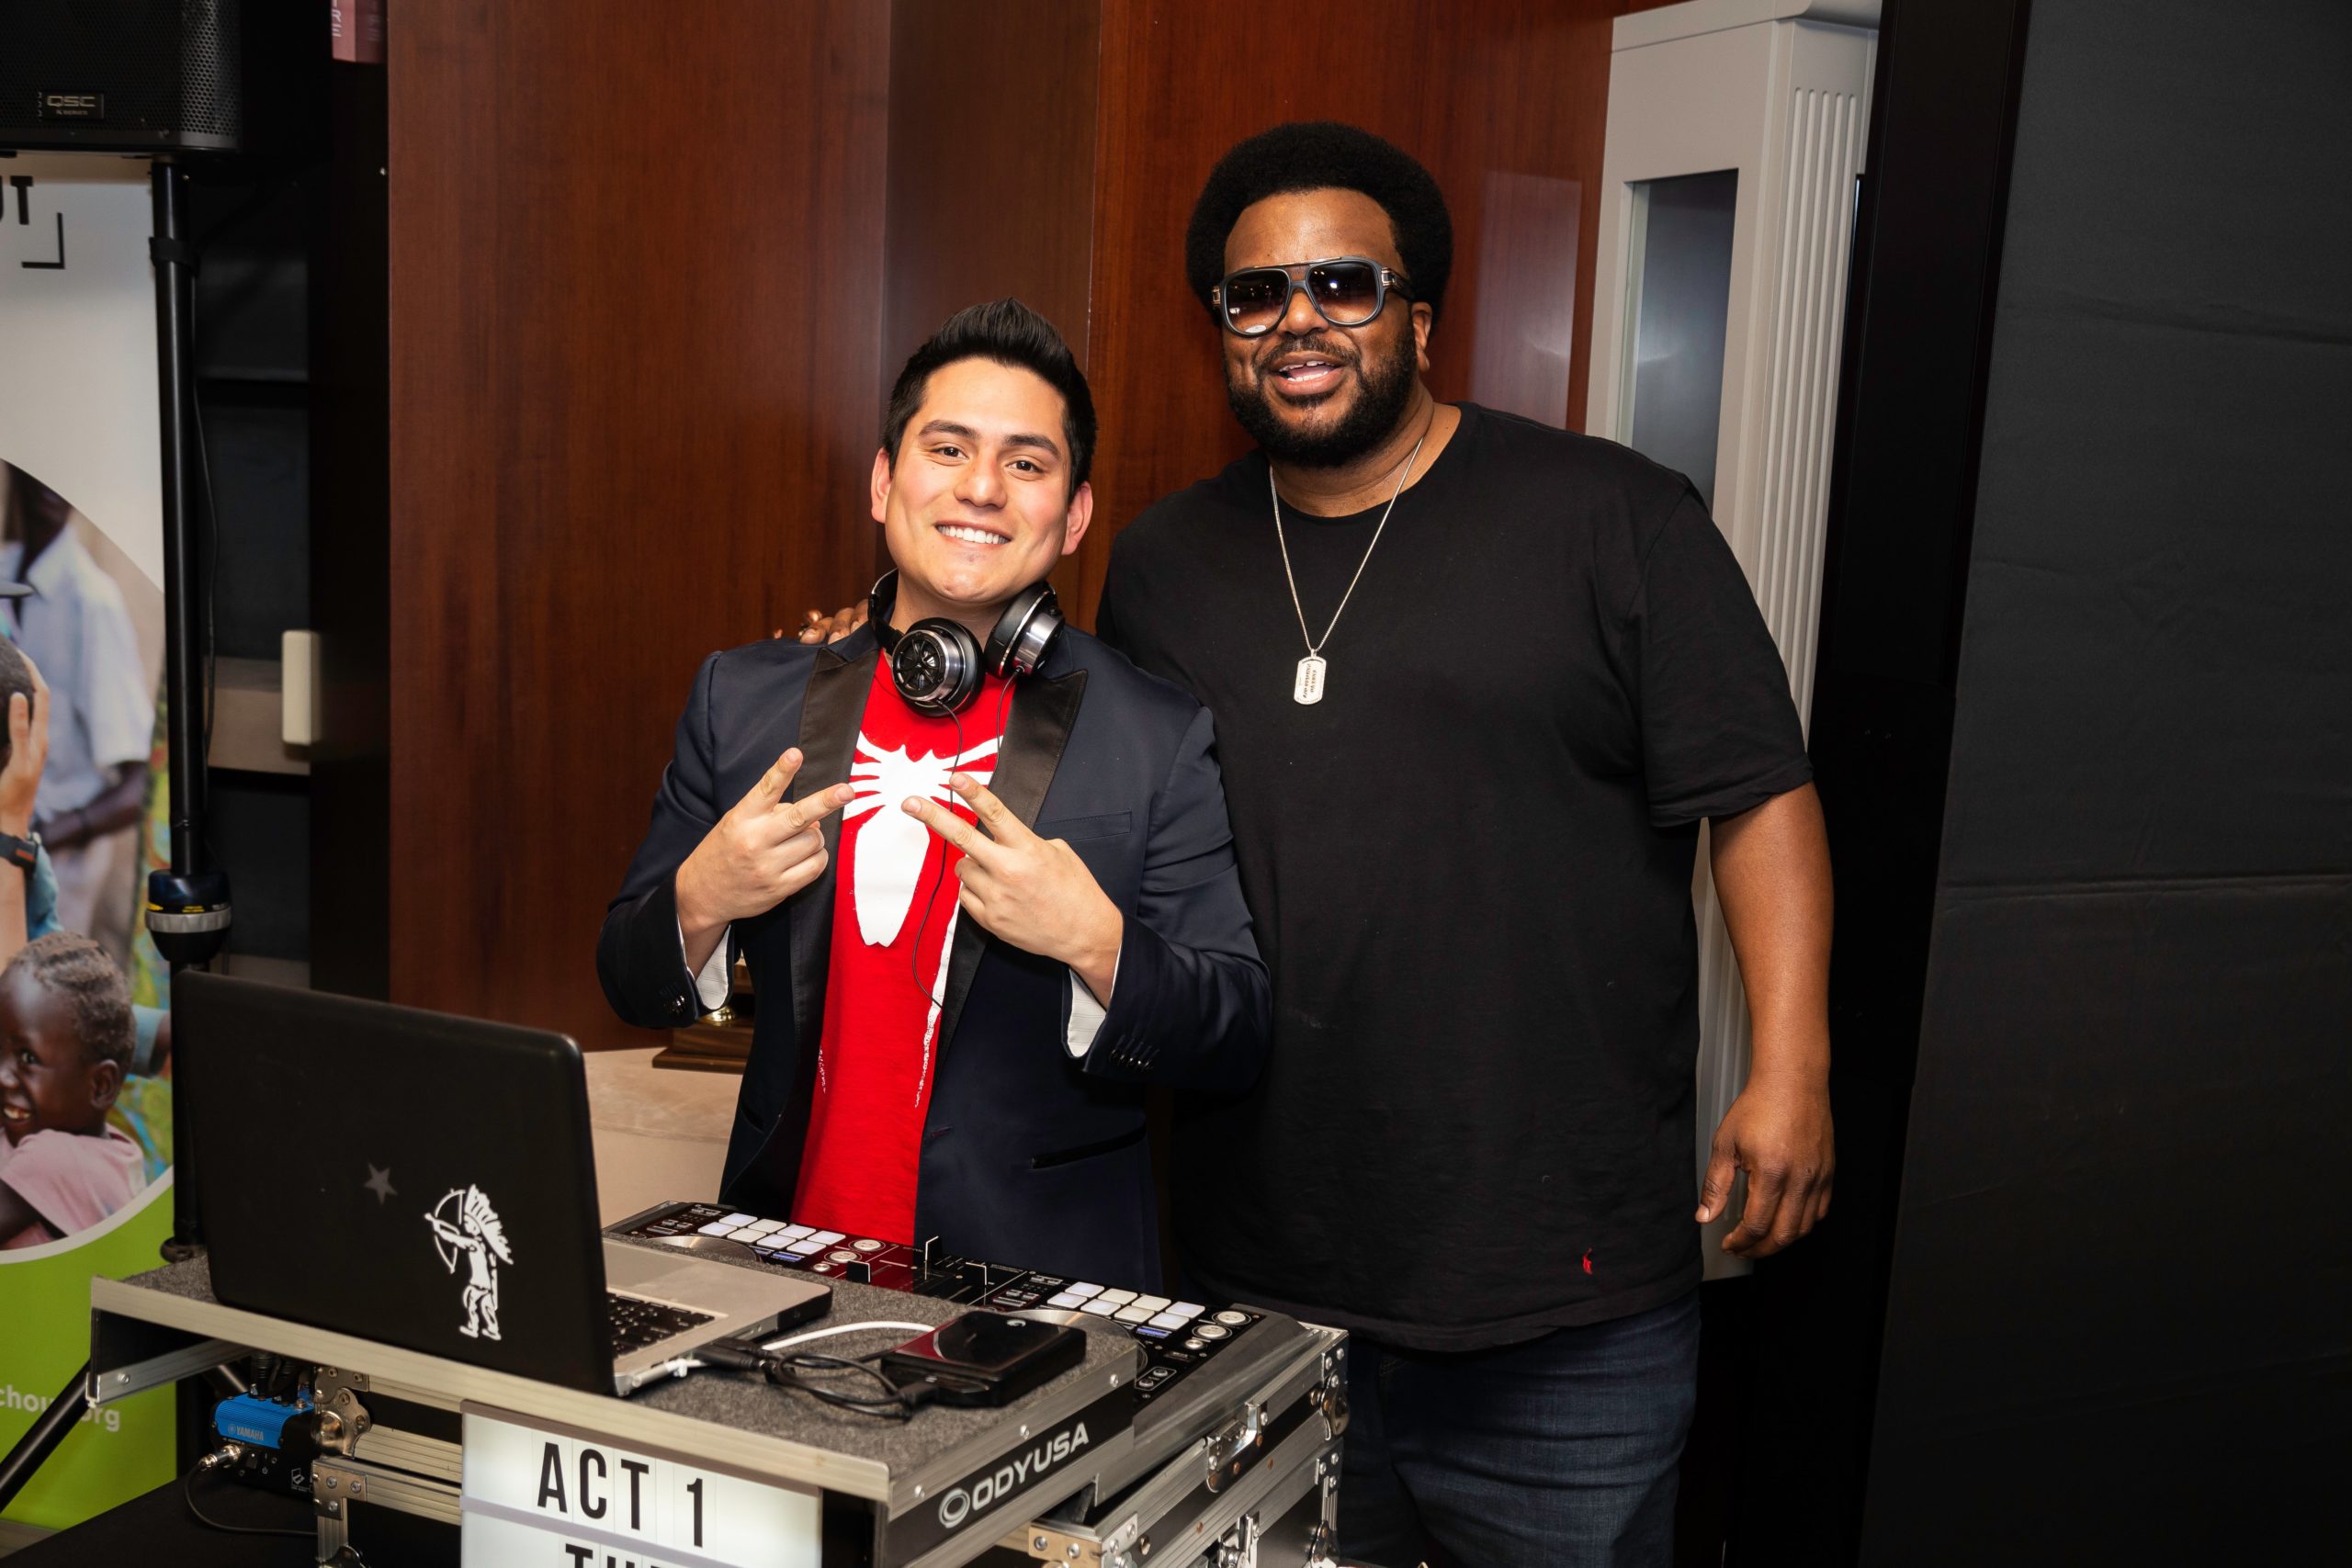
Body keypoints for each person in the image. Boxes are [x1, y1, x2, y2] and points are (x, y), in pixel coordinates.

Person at [806, 122, 1835, 1565]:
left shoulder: (1614, 517)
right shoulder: (1164, 559)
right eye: (1255, 294)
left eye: (1343, 283)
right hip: (1259, 1285)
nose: (1298, 319)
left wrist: (1792, 1066)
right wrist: (855, 652)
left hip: (1561, 1295)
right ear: (1221, 331)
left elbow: (1760, 790)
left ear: (1422, 316)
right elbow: (1058, 741)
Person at [601, 300, 1269, 1291]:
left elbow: (1235, 1031)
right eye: (947, 449)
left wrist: (1095, 940)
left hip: (1038, 1300)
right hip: (781, 1273)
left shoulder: (1155, 735)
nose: (982, 488)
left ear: (1075, 515)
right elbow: (628, 978)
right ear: (884, 482)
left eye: (1026, 463)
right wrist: (702, 897)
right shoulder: (741, 700)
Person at [0, 466, 154, 966]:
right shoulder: (4, 572)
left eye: (62, 478)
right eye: (38, 473)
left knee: (39, 990)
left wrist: (40, 833)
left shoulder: (93, 601)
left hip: (58, 867)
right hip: (8, 840)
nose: (50, 489)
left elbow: (137, 785)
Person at [0, 932, 144, 1248]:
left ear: (101, 1085)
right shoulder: (109, 1148)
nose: (3, 1076)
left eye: (28, 1058)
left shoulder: (53, 1159)